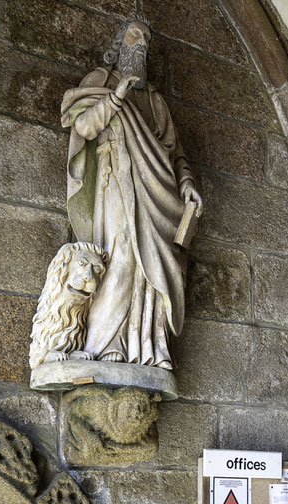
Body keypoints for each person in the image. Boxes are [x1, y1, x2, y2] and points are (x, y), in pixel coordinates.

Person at [61, 16, 202, 370]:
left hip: (159, 192)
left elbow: (175, 153)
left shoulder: (155, 101)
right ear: (118, 43)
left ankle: (148, 350)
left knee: (149, 268)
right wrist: (115, 98)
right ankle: (102, 345)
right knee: (121, 256)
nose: (141, 43)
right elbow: (83, 127)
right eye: (134, 35)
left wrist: (186, 186)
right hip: (116, 182)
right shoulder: (100, 81)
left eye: (146, 40)